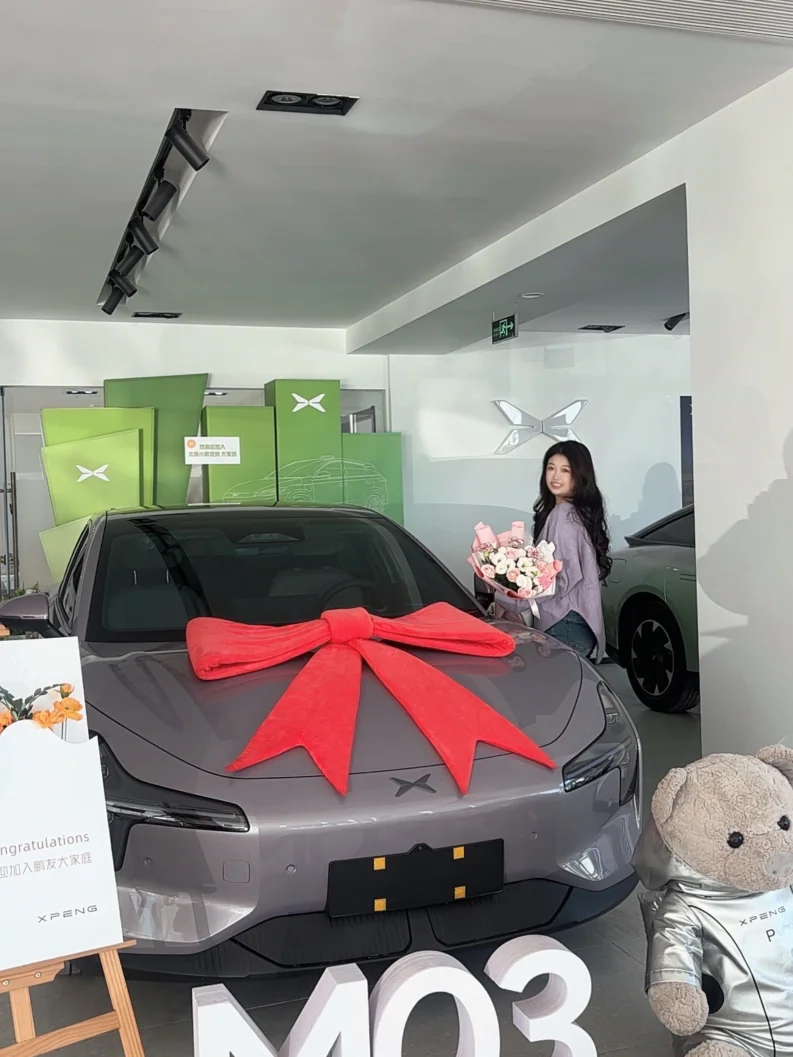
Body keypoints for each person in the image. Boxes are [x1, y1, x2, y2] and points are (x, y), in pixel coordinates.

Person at [499, 441, 611, 659]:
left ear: (580, 476)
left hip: (563, 623)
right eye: (551, 468)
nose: (556, 476)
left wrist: (515, 599)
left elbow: (559, 579)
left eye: (565, 470)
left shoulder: (563, 516)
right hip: (573, 623)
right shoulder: (575, 513)